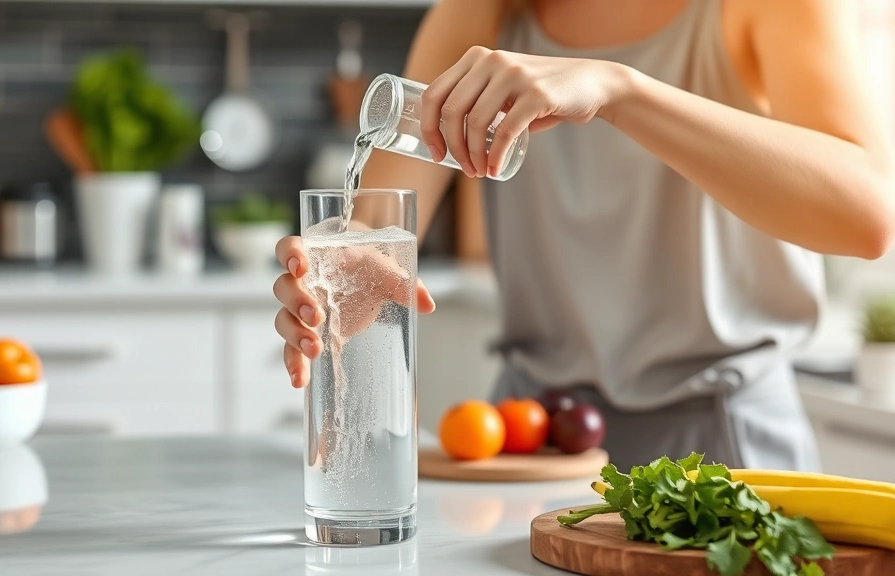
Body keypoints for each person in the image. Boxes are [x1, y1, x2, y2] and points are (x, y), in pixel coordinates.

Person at [273, 0, 895, 470]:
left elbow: (866, 214)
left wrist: (620, 91)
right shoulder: (481, 12)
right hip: (529, 443)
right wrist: (337, 276)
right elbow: (373, 230)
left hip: (722, 443)